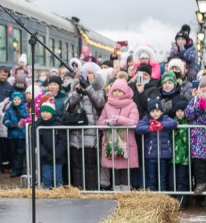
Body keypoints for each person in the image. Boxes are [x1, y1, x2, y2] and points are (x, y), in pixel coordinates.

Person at [66, 62, 106, 190]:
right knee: (77, 165)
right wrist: (77, 92)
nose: (88, 75)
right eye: (85, 73)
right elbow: (68, 106)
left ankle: (92, 190)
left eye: (90, 73)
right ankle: (78, 191)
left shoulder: (99, 88)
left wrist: (88, 88)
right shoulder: (75, 86)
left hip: (90, 134)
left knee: (91, 164)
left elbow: (100, 103)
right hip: (76, 135)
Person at [98, 78, 140, 190]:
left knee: (125, 170)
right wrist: (107, 122)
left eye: (120, 91)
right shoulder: (108, 105)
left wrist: (119, 120)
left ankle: (126, 194)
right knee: (114, 169)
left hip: (126, 143)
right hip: (111, 143)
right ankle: (116, 193)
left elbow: (134, 122)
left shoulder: (132, 105)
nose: (117, 93)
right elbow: (100, 122)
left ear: (125, 92)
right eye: (115, 90)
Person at [135, 98, 178, 191]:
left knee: (162, 178)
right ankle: (153, 196)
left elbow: (174, 123)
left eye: (158, 111)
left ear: (161, 111)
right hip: (151, 155)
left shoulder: (165, 118)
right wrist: (149, 128)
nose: (155, 113)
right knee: (151, 178)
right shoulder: (146, 119)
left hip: (164, 155)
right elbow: (138, 128)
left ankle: (162, 195)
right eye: (153, 111)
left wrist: (161, 125)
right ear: (149, 112)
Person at [36, 100, 66, 188]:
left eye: (47, 111)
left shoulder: (58, 124)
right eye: (43, 111)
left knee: (58, 176)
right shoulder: (39, 124)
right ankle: (47, 190)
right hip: (45, 156)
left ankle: (59, 191)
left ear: (52, 113)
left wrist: (56, 155)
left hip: (58, 156)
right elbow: (37, 141)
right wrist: (44, 154)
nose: (44, 114)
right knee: (47, 177)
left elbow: (62, 140)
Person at [3, 91, 30, 178]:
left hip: (22, 135)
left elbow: (27, 118)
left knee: (21, 152)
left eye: (18, 99)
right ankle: (16, 169)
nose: (17, 101)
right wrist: (13, 125)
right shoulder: (9, 110)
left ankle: (19, 169)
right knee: (13, 152)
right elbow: (5, 120)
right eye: (15, 99)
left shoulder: (25, 108)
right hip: (12, 135)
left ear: (21, 100)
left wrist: (21, 117)